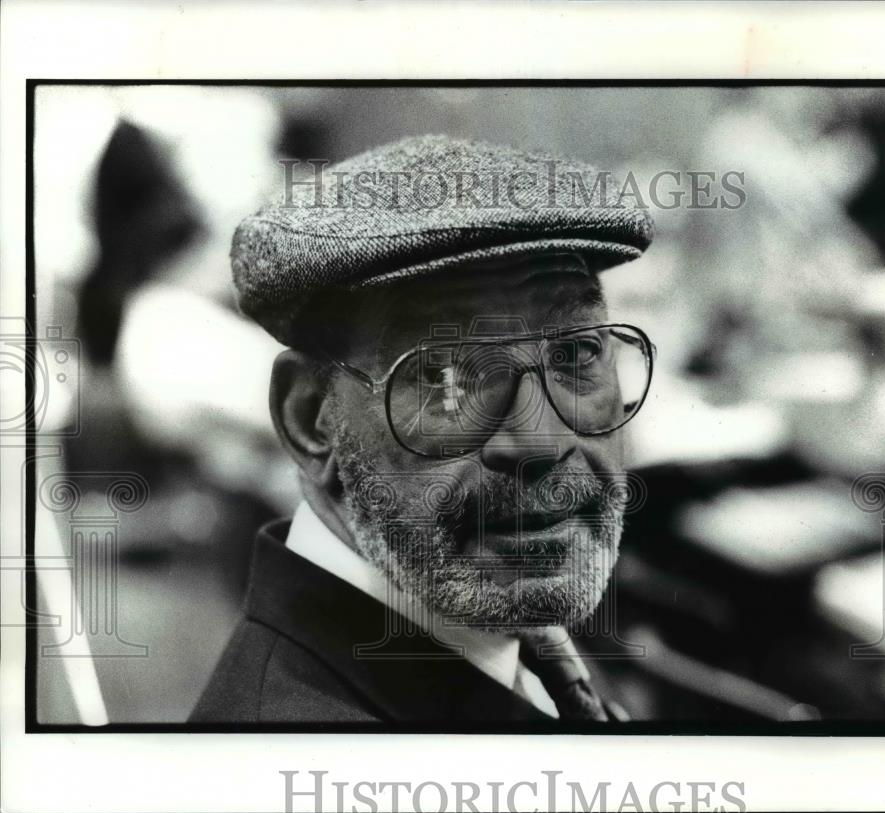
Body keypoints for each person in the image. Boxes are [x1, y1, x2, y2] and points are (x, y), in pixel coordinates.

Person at [190, 135, 655, 723]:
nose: (542, 441)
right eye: (446, 374)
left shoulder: (489, 622)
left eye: (577, 352)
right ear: (312, 420)